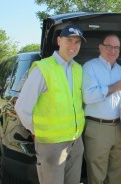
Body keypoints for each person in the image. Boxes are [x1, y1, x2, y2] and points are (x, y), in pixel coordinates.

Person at [15, 25, 86, 184]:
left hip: (75, 141)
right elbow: (22, 107)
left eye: (77, 42)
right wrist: (37, 131)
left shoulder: (78, 69)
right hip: (51, 144)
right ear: (59, 41)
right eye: (69, 40)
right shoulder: (43, 68)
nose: (73, 46)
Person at [82, 34, 121, 184]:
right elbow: (88, 97)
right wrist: (115, 87)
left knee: (116, 173)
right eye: (109, 46)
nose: (112, 50)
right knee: (97, 175)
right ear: (101, 47)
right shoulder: (90, 67)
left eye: (116, 47)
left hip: (119, 128)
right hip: (97, 128)